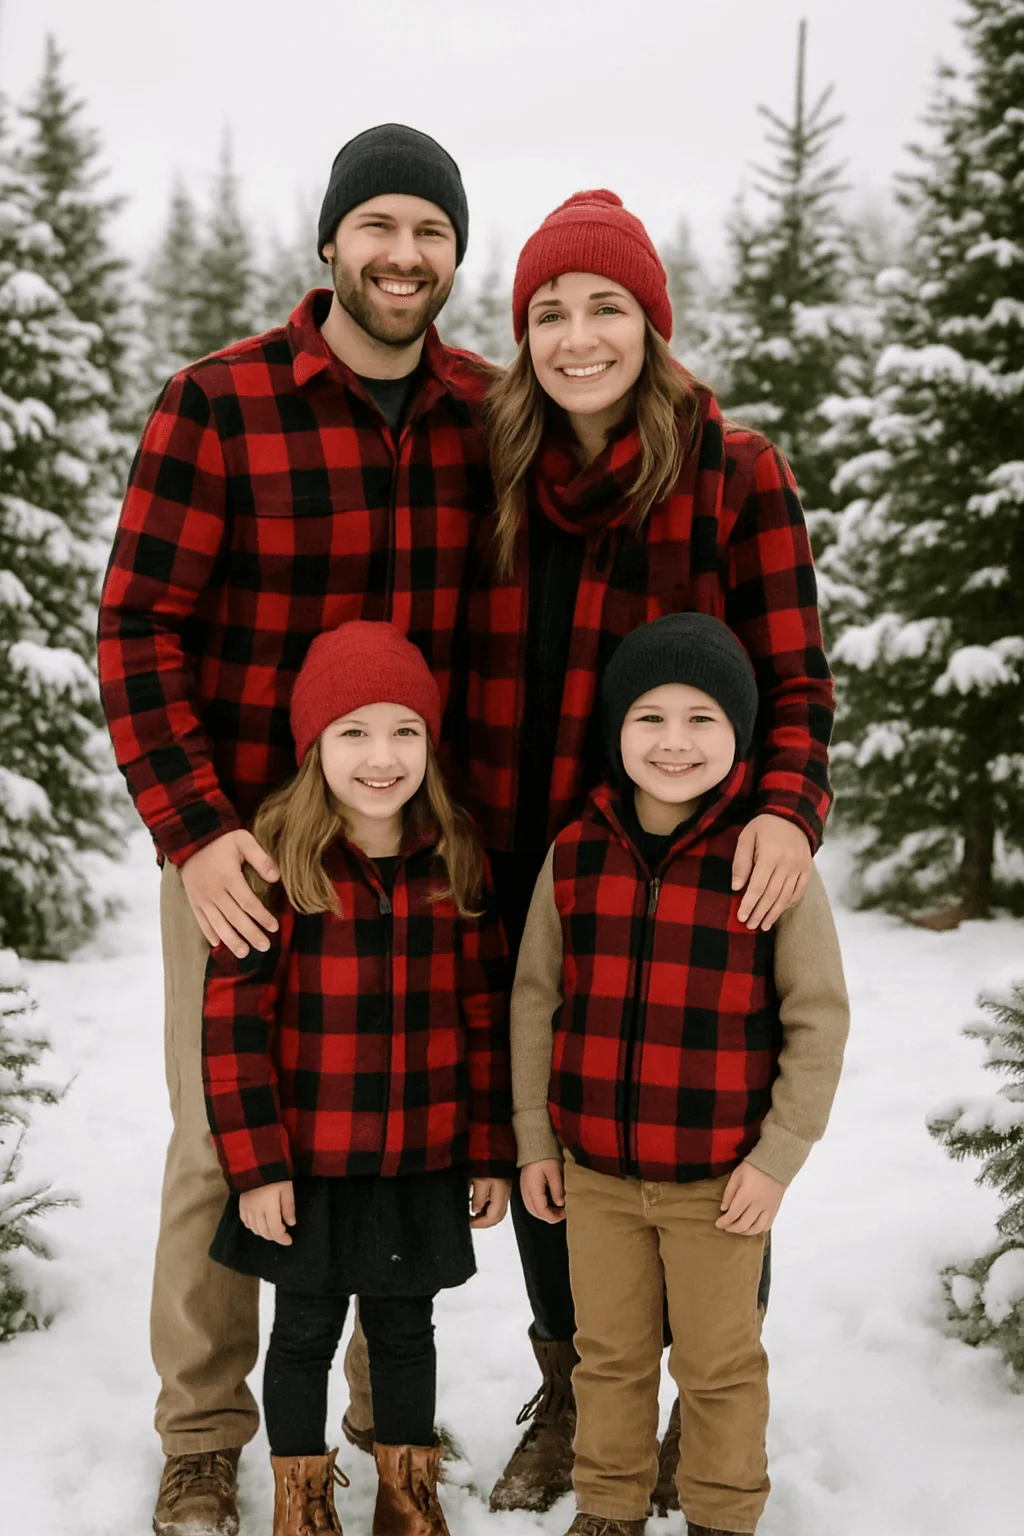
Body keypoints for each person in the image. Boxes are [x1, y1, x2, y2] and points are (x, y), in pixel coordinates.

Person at [97, 124, 494, 1536]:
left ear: (455, 253)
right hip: (245, 847)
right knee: (227, 1135)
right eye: (378, 225)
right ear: (329, 243)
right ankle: (206, 1436)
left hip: (417, 849)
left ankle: (387, 1425)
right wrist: (196, 830)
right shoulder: (220, 404)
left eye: (431, 231)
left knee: (405, 1127)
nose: (404, 254)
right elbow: (137, 625)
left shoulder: (483, 413)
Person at [453, 191, 836, 1512]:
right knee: (559, 1131)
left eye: (606, 306)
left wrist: (784, 809)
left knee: (705, 1115)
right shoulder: (498, 467)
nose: (578, 336)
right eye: (549, 311)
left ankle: (702, 1400)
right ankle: (575, 1388)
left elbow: (796, 680)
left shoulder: (735, 471)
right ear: (522, 334)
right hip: (536, 861)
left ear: (651, 323)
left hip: (696, 860)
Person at [510, 613, 849, 1536]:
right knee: (609, 1356)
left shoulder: (767, 862)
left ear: (740, 732)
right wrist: (536, 1138)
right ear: (616, 729)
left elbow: (818, 1017)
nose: (674, 741)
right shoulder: (574, 854)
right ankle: (609, 1507)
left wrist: (777, 1158)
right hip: (596, 1177)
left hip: (719, 1183)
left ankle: (722, 1513)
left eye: (702, 718)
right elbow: (536, 998)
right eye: (649, 717)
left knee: (718, 1365)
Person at [203, 619, 514, 1536]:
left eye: (405, 731)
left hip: (420, 1160)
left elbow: (486, 1018)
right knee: (302, 1332)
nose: (382, 757)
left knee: (406, 1331)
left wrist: (489, 1150)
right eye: (354, 733)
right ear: (315, 744)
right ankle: (301, 1505)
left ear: (429, 742)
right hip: (310, 1165)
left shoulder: (455, 858)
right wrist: (258, 1167)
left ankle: (408, 1500)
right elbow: (233, 1029)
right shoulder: (277, 864)